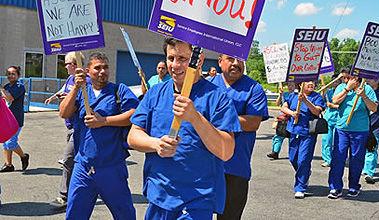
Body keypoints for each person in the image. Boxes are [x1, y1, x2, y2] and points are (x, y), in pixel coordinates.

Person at [128, 38, 241, 220]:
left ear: (199, 60)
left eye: (183, 58)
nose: (175, 65)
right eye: (171, 58)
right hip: (159, 196)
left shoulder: (218, 98)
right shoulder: (155, 94)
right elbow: (133, 135)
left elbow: (226, 151)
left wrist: (195, 117)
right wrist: (155, 144)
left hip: (196, 201)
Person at [59, 52, 139, 220]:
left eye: (106, 67)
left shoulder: (119, 90)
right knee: (75, 215)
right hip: (83, 167)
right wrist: (75, 87)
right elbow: (64, 112)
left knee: (125, 214)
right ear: (88, 71)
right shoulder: (82, 92)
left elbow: (134, 114)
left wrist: (104, 121)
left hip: (111, 167)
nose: (103, 71)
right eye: (98, 68)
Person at [209, 54, 269, 219]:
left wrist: (214, 120)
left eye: (239, 59)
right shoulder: (208, 85)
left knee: (230, 216)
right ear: (220, 62)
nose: (236, 63)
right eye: (230, 59)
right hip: (206, 165)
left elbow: (253, 122)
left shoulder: (254, 88)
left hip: (236, 167)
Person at [47, 52, 91, 208]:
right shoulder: (70, 79)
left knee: (67, 160)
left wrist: (69, 99)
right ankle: (85, 189)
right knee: (76, 161)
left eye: (66, 64)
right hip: (69, 125)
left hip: (80, 127)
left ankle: (64, 196)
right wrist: (57, 97)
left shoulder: (87, 81)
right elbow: (65, 93)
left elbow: (86, 103)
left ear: (74, 65)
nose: (64, 67)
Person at [328, 67, 378, 199]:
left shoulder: (366, 89)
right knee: (338, 158)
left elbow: (374, 108)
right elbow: (335, 101)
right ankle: (335, 188)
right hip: (342, 129)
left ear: (356, 77)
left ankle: (354, 187)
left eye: (348, 77)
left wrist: (364, 96)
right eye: (344, 78)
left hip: (360, 131)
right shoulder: (342, 88)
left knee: (356, 160)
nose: (345, 80)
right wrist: (347, 89)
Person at [281, 81, 325, 199]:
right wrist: (292, 113)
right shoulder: (293, 95)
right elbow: (284, 107)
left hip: (308, 133)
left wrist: (305, 100)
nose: (311, 84)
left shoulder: (316, 97)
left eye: (313, 82)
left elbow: (317, 111)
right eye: (307, 82)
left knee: (303, 160)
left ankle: (300, 187)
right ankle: (305, 173)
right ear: (300, 84)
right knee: (293, 158)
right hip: (294, 131)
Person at [0, 66, 29, 172]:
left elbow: (10, 98)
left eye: (13, 74)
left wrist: (1, 88)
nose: (10, 76)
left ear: (18, 75)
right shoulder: (7, 86)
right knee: (5, 141)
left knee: (11, 142)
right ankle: (9, 165)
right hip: (6, 118)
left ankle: (23, 156)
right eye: (8, 73)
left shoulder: (19, 86)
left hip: (16, 119)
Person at [267, 82, 296, 160]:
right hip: (283, 117)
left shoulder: (297, 95)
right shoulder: (284, 94)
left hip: (292, 117)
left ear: (295, 86)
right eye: (289, 85)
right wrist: (280, 95)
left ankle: (292, 154)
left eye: (292, 85)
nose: (290, 87)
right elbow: (277, 103)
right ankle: (275, 152)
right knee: (279, 134)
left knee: (292, 136)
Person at [321, 74, 342, 167]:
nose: (335, 84)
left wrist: (333, 106)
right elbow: (322, 100)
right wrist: (323, 90)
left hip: (338, 118)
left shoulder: (343, 92)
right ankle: (327, 159)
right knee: (326, 139)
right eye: (333, 82)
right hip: (328, 118)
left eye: (337, 82)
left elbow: (345, 107)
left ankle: (337, 158)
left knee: (337, 140)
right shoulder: (328, 92)